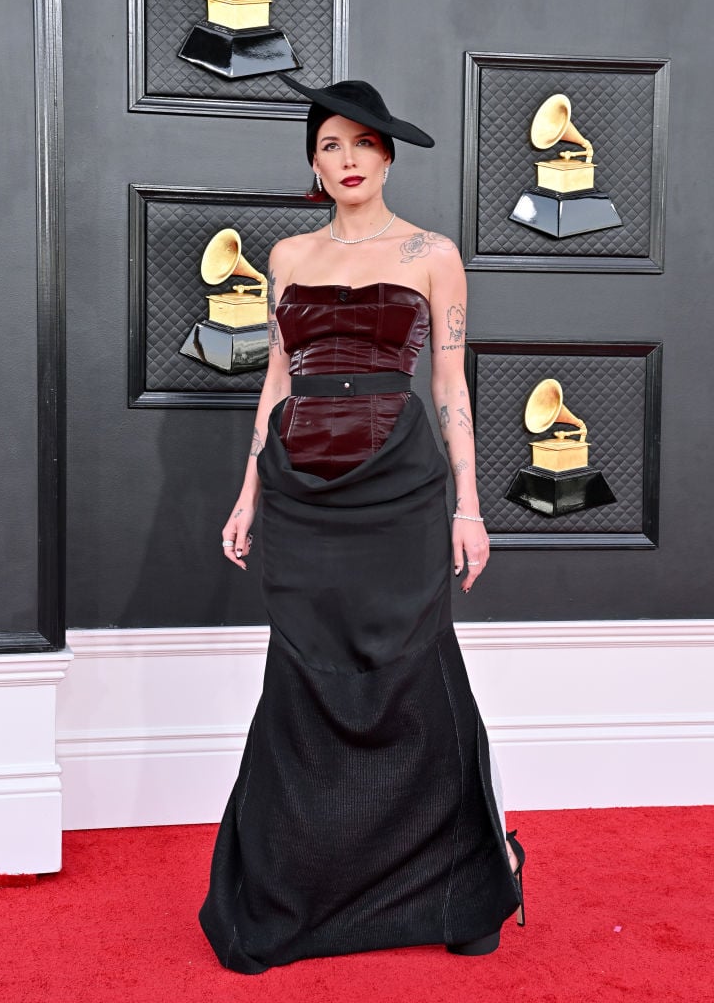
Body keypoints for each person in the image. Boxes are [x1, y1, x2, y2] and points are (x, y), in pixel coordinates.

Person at [199, 77, 524, 974]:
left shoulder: (433, 253)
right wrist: (246, 495)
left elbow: (451, 390)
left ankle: (462, 889)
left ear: (387, 155)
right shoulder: (289, 255)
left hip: (401, 488)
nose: (347, 159)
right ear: (314, 160)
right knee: (304, 681)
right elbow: (275, 384)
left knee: (412, 678)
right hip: (299, 490)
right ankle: (284, 900)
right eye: (330, 145)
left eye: (362, 144)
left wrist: (469, 506)